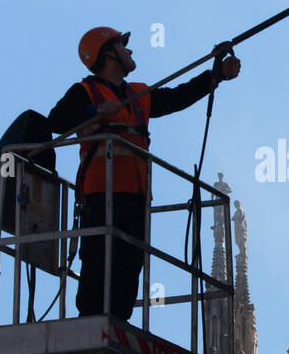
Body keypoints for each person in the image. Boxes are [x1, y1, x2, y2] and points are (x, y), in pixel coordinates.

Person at [48, 27, 240, 320]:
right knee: (99, 260)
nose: (130, 51)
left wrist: (215, 75)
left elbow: (177, 97)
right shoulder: (85, 92)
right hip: (101, 194)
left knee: (130, 262)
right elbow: (57, 120)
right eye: (123, 47)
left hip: (135, 197)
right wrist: (96, 109)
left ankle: (118, 324)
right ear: (108, 54)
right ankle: (89, 322)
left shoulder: (137, 94)